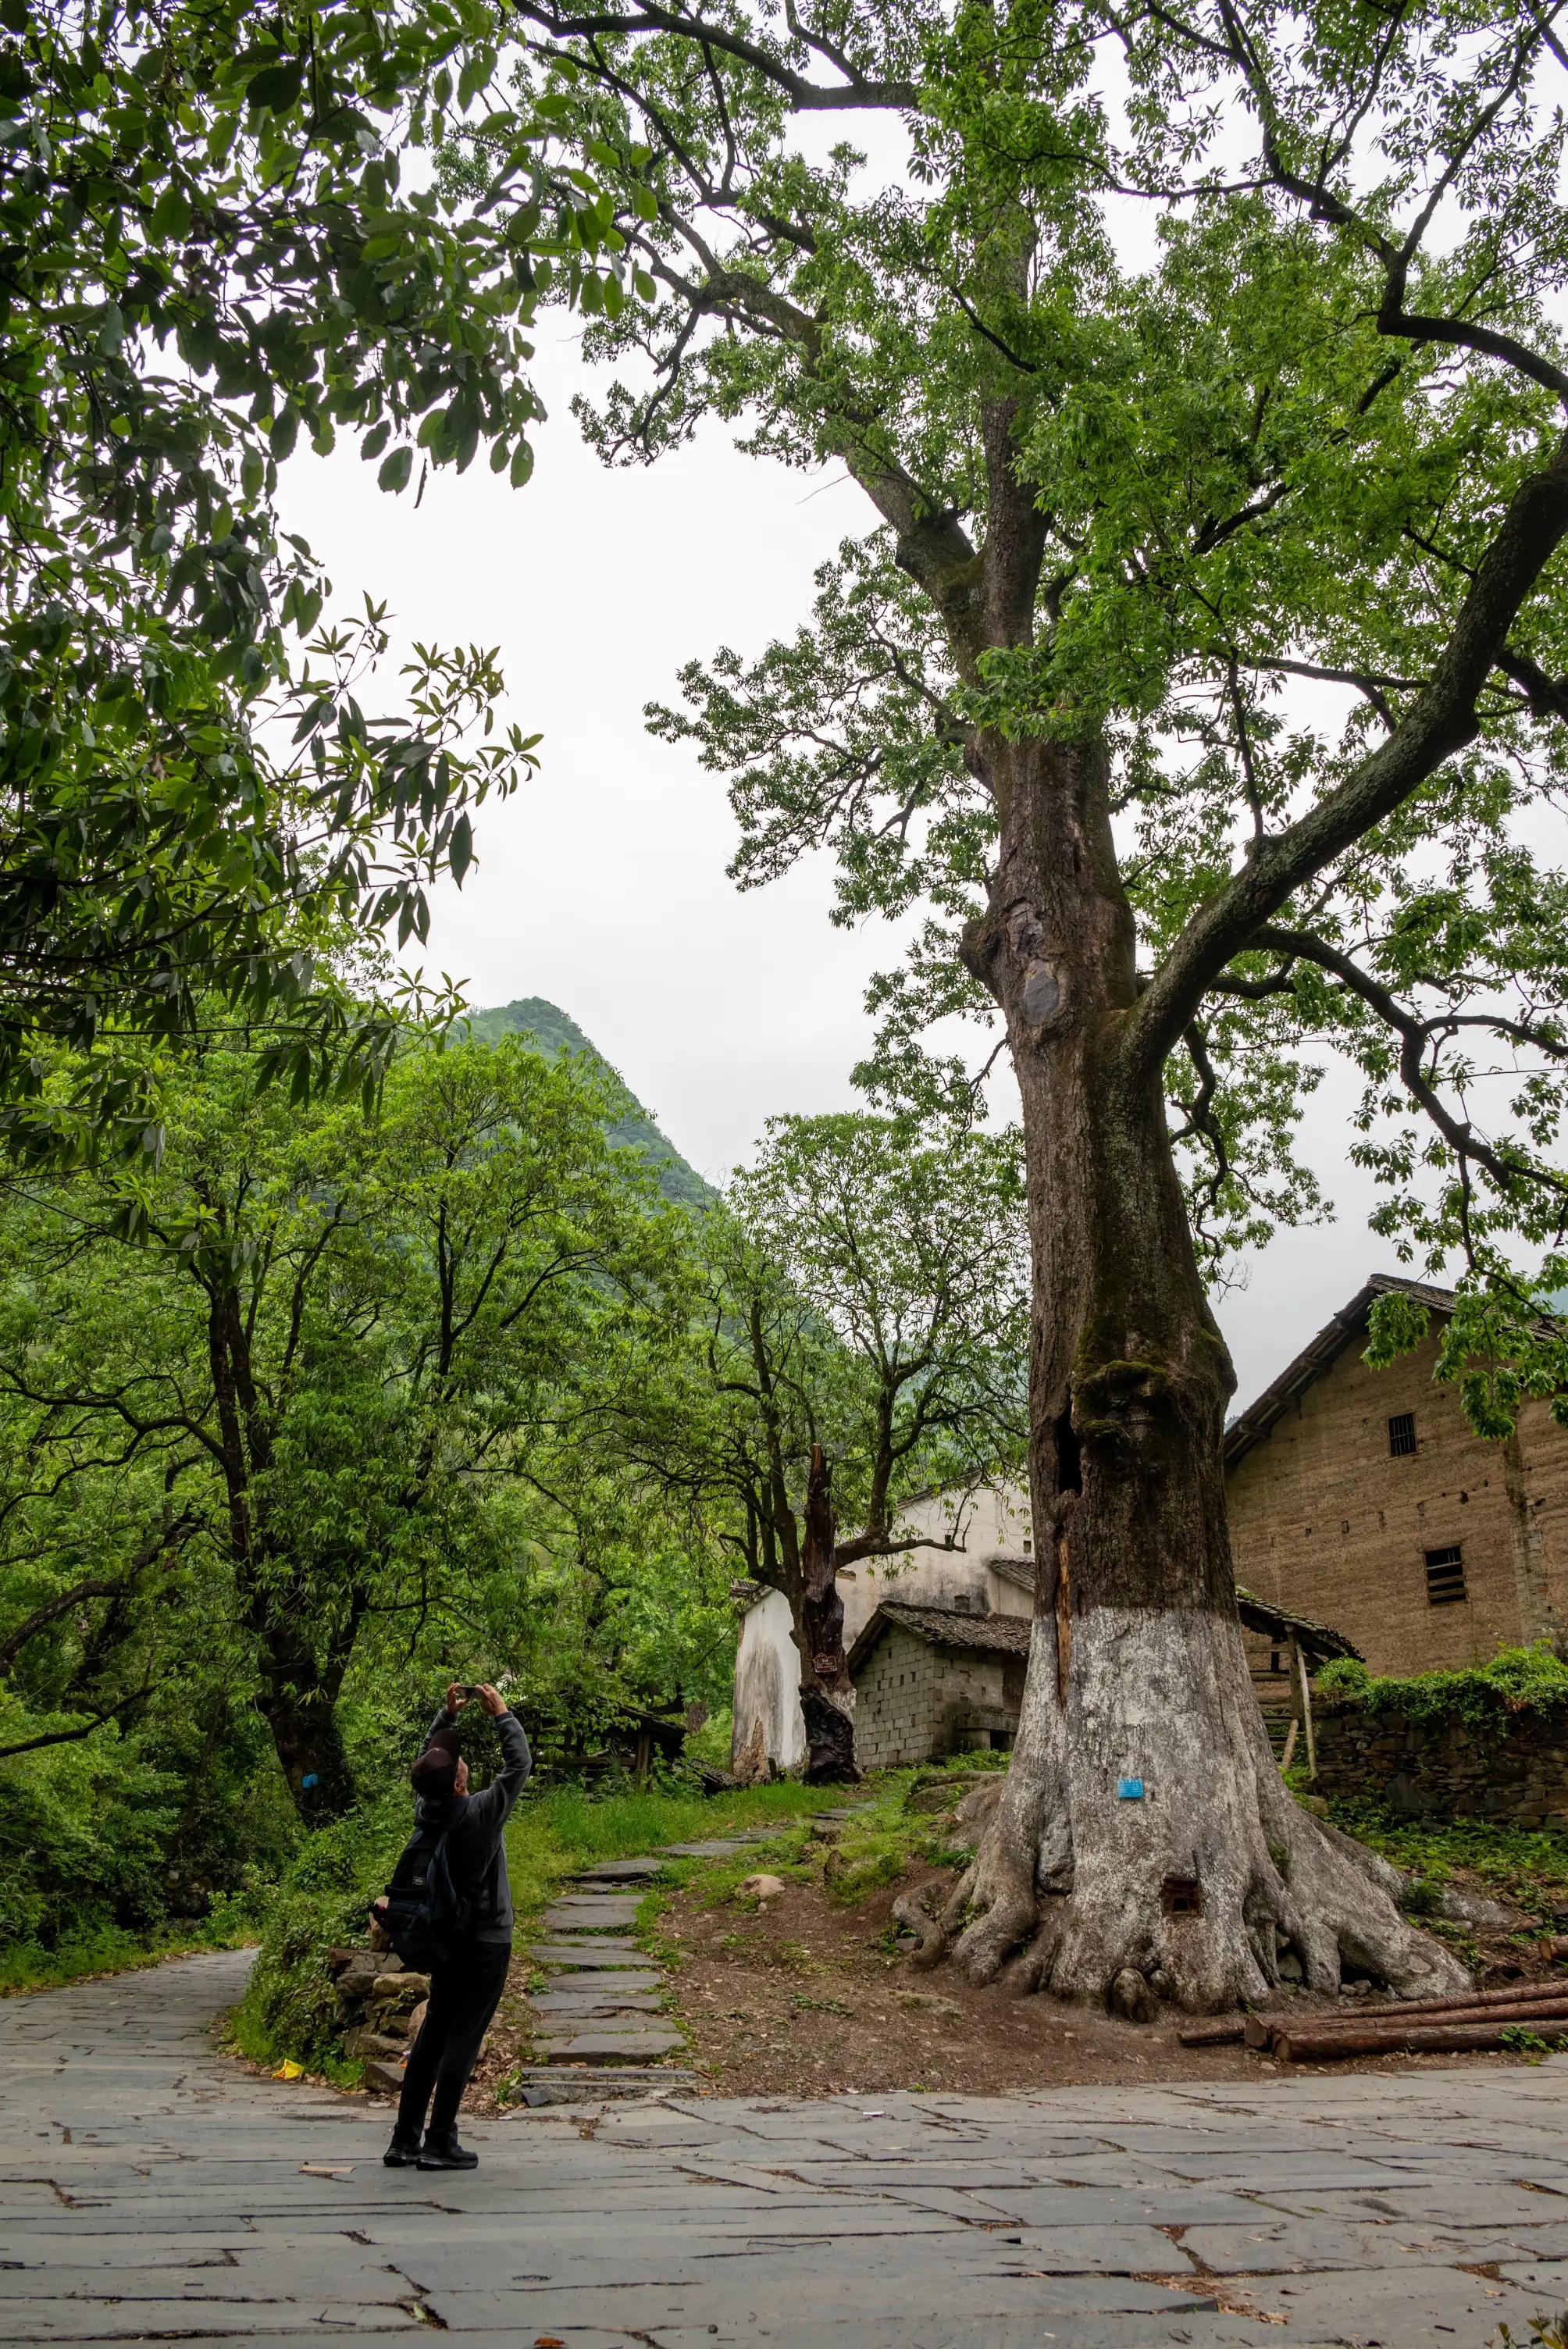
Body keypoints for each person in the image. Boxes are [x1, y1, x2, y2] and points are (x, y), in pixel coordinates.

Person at [379, 1681, 531, 2172]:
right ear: (461, 1783)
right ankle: (440, 2139)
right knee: (463, 2039)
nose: (459, 1764)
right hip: (485, 1941)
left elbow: (432, 1763)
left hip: (446, 1939)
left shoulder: (428, 1810)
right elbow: (519, 1766)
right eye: (460, 1766)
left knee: (435, 2034)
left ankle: (405, 2140)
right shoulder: (480, 1814)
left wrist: (445, 1720)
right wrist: (501, 1715)